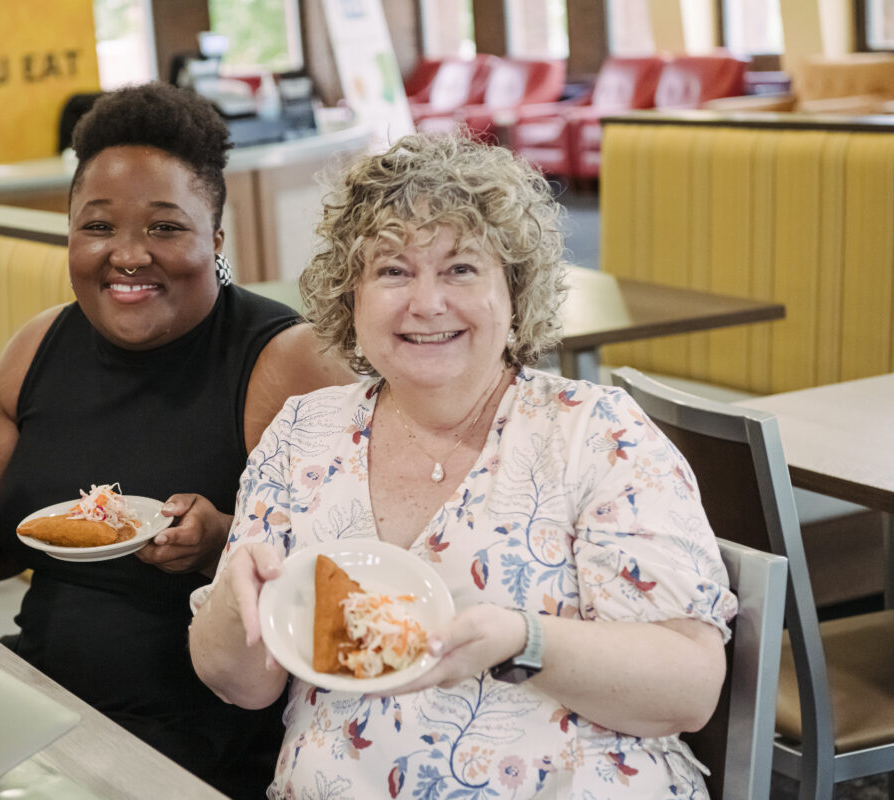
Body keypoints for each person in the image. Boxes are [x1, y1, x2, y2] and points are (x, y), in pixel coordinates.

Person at [0, 82, 352, 798]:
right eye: (98, 227)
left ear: (216, 240)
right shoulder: (38, 347)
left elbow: (353, 576)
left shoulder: (286, 362)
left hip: (196, 737)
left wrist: (221, 544)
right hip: (31, 698)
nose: (128, 255)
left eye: (165, 228)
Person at [189, 133, 737, 798]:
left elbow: (688, 689)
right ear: (350, 296)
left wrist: (522, 640)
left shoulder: (597, 432)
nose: (426, 303)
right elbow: (241, 685)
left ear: (514, 293)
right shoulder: (304, 433)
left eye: (460, 269)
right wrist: (232, 600)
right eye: (392, 270)